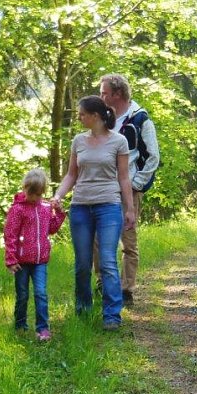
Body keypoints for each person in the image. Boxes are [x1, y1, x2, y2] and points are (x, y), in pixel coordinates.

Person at [53, 95, 135, 330]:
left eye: (82, 114)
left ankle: (112, 315)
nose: (79, 118)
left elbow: (124, 178)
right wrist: (58, 196)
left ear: (95, 116)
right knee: (82, 263)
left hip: (108, 206)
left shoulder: (119, 141)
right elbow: (71, 174)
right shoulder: (78, 141)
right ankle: (83, 310)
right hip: (80, 207)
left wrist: (129, 209)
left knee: (107, 261)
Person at [98, 73, 160, 306]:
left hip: (128, 189)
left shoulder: (140, 119)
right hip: (102, 187)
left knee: (128, 241)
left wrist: (135, 185)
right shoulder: (102, 117)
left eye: (104, 93)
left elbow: (153, 156)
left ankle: (126, 291)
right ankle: (103, 284)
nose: (100, 97)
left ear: (117, 94)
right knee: (98, 240)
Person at [3, 168, 66, 341]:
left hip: (40, 261)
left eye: (38, 194)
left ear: (43, 192)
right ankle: (20, 325)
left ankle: (42, 328)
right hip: (21, 262)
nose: (34, 198)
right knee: (22, 294)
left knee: (41, 293)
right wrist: (11, 259)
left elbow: (52, 229)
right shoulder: (17, 209)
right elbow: (10, 234)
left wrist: (59, 213)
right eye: (32, 194)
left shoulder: (45, 208)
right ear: (25, 189)